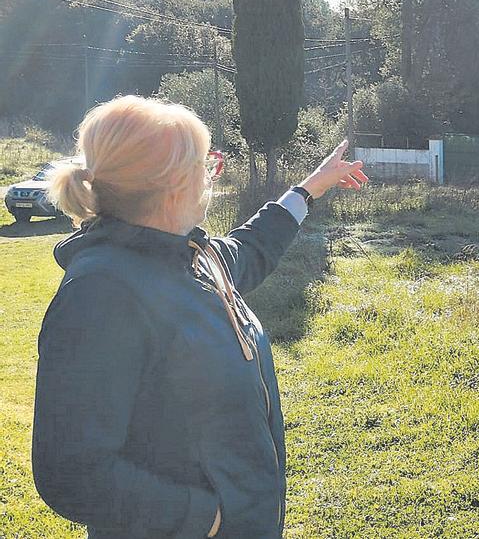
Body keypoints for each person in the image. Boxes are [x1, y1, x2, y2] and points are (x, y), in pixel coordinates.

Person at [31, 95, 368, 538]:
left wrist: (308, 189)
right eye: (206, 164)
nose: (211, 175)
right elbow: (72, 470)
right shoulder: (101, 294)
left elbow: (250, 248)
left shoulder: (191, 255)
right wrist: (202, 519)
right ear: (175, 185)